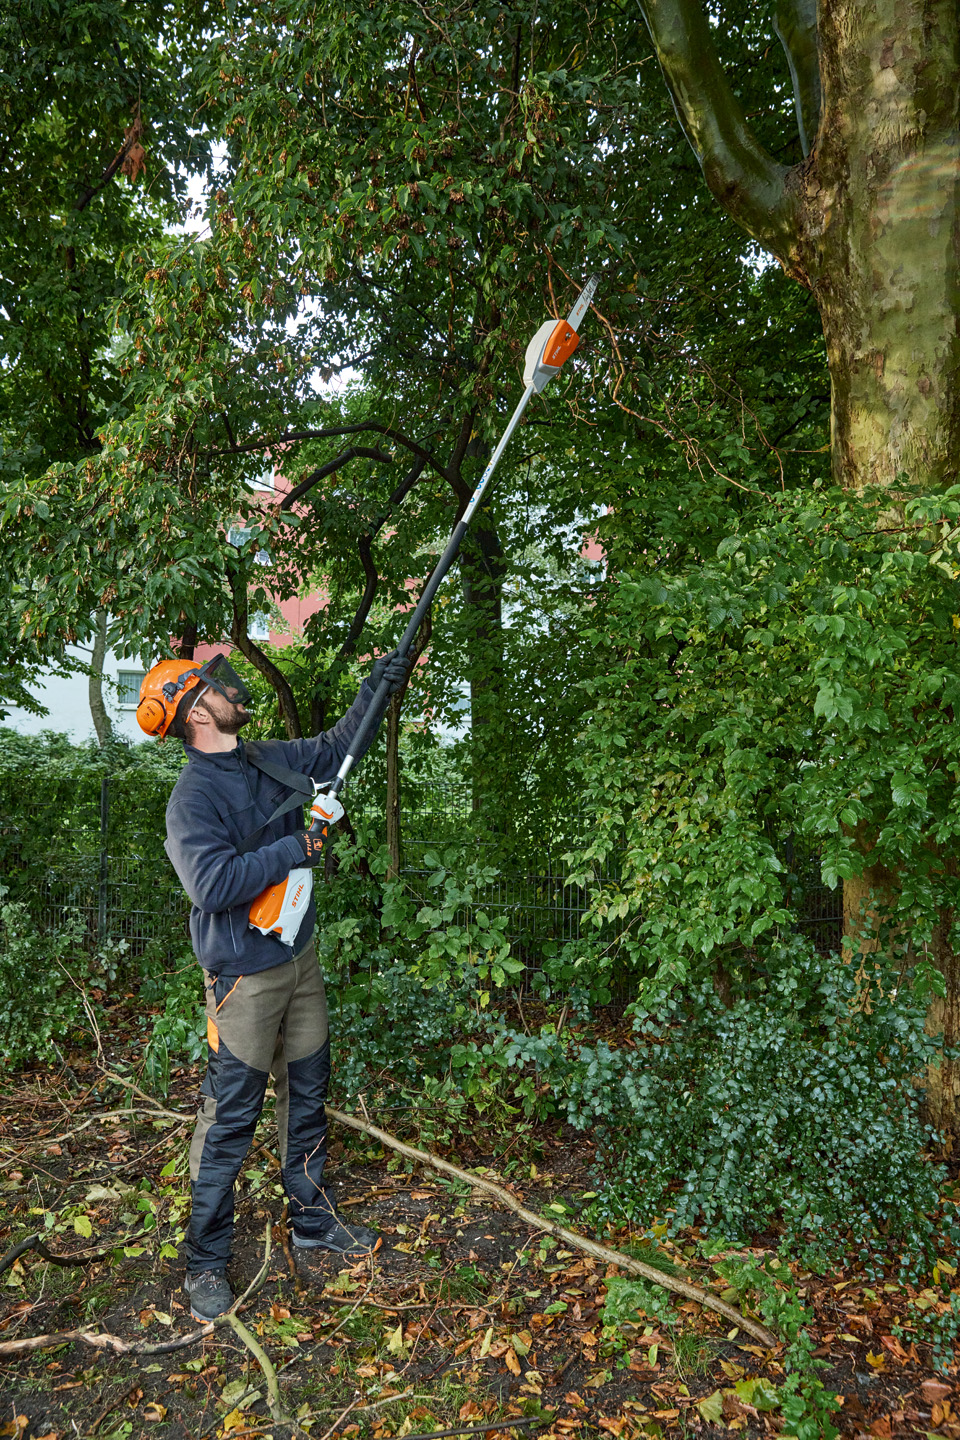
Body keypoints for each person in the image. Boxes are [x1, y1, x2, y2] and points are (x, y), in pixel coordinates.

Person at [136, 650, 409, 1320]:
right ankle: (205, 1263)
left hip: (299, 957)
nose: (232, 688)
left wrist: (379, 685)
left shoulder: (262, 756)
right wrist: (296, 848)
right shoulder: (192, 798)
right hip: (244, 980)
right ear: (198, 711)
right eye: (214, 687)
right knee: (230, 1117)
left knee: (308, 1092)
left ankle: (312, 1221)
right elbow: (213, 884)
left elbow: (337, 747)